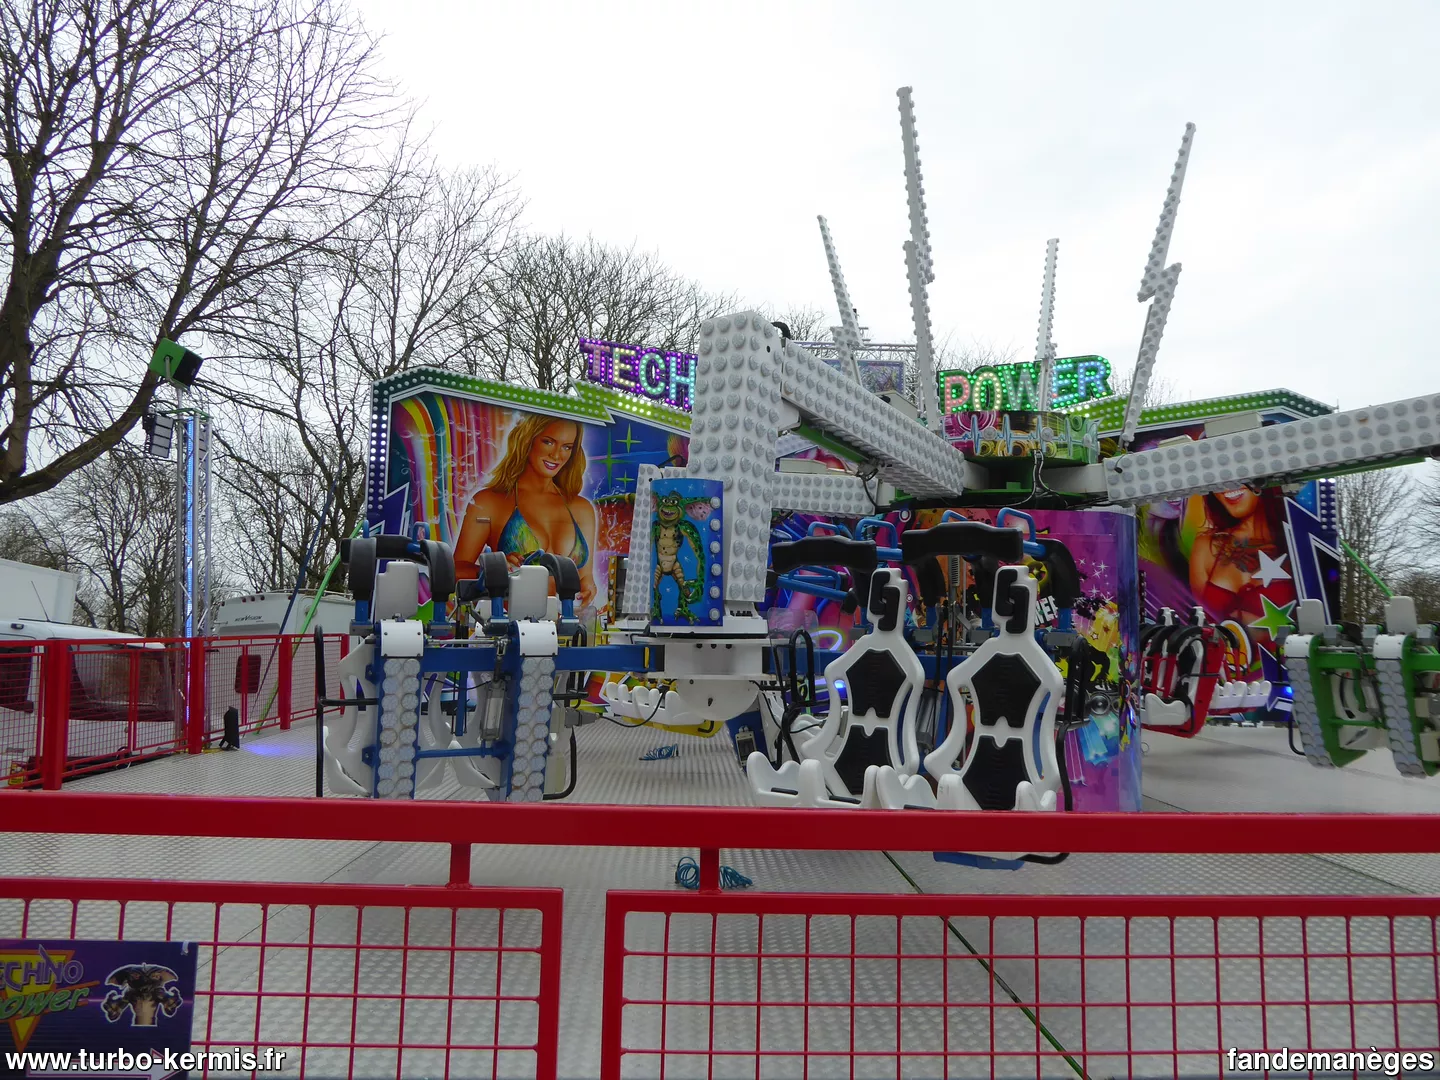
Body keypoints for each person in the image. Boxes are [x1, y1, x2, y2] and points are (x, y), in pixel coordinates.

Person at [454, 414, 599, 609]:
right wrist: (493, 569)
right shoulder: (489, 502)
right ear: (527, 439)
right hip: (507, 623)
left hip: (564, 624)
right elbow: (455, 570)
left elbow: (585, 578)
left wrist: (588, 587)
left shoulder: (581, 509)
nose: (557, 455)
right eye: (548, 442)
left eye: (567, 447)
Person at [1186, 484, 1288, 628]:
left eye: (1240, 474)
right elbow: (1202, 626)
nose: (1226, 486)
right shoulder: (1205, 547)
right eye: (1218, 478)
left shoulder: (1298, 540)